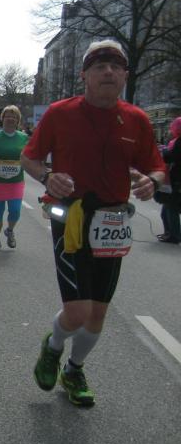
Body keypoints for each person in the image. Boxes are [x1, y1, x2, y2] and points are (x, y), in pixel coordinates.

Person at [23, 39, 165, 407]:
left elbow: (156, 166)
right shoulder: (60, 113)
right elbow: (30, 158)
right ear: (84, 74)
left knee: (98, 314)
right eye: (100, 66)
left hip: (113, 222)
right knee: (78, 311)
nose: (108, 71)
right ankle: (53, 346)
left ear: (125, 76)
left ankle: (74, 370)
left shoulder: (137, 119)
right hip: (71, 217)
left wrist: (152, 181)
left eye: (116, 66)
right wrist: (48, 176)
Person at [0, 105, 29, 251]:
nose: (10, 119)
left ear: (18, 120)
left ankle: (9, 230)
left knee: (15, 211)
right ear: (2, 119)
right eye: (7, 116)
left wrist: (26, 161)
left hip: (16, 181)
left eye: (14, 117)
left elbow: (30, 156)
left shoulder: (24, 138)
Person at [156, 116, 181, 244]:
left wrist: (164, 150)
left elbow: (170, 157)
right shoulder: (176, 141)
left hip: (176, 181)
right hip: (174, 180)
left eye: (173, 127)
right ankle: (169, 233)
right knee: (167, 209)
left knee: (171, 209)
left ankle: (174, 235)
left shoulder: (179, 142)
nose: (171, 130)